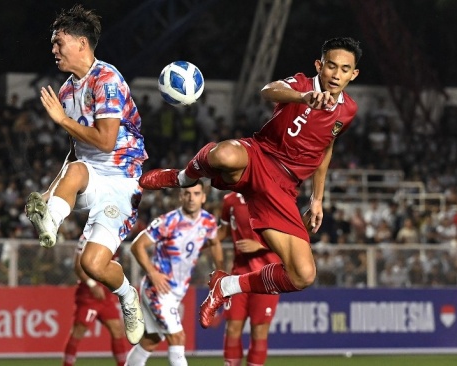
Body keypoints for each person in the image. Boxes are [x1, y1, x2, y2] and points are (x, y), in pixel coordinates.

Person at [139, 37, 362, 328]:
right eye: (331, 66)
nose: (336, 74)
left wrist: (317, 199)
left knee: (303, 275)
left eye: (344, 69)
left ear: (353, 74)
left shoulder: (349, 111)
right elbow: (269, 90)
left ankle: (225, 287)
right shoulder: (301, 84)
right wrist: (302, 98)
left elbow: (326, 148)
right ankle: (181, 177)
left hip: (283, 187)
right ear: (319, 65)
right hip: (259, 154)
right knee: (224, 155)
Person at [24, 4, 148, 344]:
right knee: (77, 169)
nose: (53, 49)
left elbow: (107, 142)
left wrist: (62, 121)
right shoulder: (66, 91)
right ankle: (50, 219)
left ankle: (127, 297)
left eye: (58, 42)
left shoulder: (106, 79)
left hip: (122, 182)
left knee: (94, 265)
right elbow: (75, 154)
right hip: (89, 174)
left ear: (81, 43)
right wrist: (51, 191)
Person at [126, 182, 224, 366]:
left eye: (196, 194)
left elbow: (215, 243)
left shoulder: (208, 221)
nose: (191, 198)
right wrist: (153, 273)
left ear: (203, 197)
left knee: (151, 339)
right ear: (181, 197)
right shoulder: (168, 221)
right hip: (158, 289)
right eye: (187, 193)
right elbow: (137, 245)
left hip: (176, 291)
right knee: (178, 338)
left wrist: (220, 270)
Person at [217, 192, 281, 366]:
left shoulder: (273, 197)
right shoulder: (230, 200)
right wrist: (199, 235)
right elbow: (221, 233)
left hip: (267, 278)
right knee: (232, 328)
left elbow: (288, 237)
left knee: (259, 332)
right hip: (239, 275)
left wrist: (260, 245)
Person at [63, 237, 127, 366]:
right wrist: (92, 285)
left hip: (106, 295)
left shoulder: (115, 235)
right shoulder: (87, 236)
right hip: (89, 295)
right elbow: (78, 266)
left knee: (117, 329)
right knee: (79, 330)